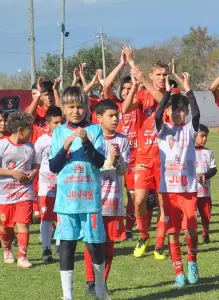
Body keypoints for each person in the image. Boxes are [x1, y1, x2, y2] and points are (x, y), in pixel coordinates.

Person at [49, 87, 107, 299]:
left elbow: (100, 161)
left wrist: (85, 141)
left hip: (90, 201)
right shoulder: (58, 133)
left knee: (95, 246)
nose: (76, 111)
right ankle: (68, 295)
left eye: (80, 106)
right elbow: (54, 166)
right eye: (71, 107)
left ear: (87, 108)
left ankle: (100, 290)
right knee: (67, 247)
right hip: (66, 202)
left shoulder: (96, 130)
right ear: (63, 109)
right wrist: (64, 148)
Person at [156, 73, 200, 288]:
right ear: (168, 111)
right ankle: (178, 272)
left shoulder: (190, 130)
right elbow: (156, 116)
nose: (178, 113)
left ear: (186, 112)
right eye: (174, 109)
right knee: (173, 232)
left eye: (182, 109)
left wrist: (188, 88)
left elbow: (198, 113)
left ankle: (192, 262)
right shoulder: (163, 130)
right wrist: (166, 93)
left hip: (189, 189)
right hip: (169, 190)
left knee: (190, 229)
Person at [123, 58, 169, 259]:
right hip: (143, 158)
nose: (161, 78)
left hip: (165, 159)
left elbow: (162, 100)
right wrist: (134, 85)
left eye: (164, 74)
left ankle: (159, 244)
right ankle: (143, 236)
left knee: (162, 202)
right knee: (139, 200)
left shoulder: (171, 95)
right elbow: (124, 109)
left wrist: (144, 81)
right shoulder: (142, 95)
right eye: (158, 74)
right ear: (151, 75)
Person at [84, 99, 130, 297]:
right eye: (111, 116)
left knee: (109, 247)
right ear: (99, 118)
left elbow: (122, 172)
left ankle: (102, 282)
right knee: (93, 243)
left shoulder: (123, 140)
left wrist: (118, 161)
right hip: (93, 200)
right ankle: (90, 282)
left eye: (117, 115)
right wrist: (109, 161)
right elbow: (90, 168)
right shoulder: (92, 138)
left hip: (114, 201)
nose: (115, 119)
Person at [102, 47, 140, 243]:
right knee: (113, 191)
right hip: (115, 157)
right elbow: (106, 83)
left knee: (134, 196)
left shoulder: (139, 104)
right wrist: (122, 64)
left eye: (129, 89)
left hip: (135, 158)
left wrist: (136, 83)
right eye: (124, 89)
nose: (126, 92)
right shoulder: (113, 106)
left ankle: (130, 228)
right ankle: (113, 224)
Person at [0, 110, 36, 268]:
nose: (32, 132)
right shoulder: (3, 145)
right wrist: (11, 173)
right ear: (20, 130)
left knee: (23, 223)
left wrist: (34, 172)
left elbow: (34, 165)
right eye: (30, 129)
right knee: (6, 227)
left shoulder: (30, 146)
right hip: (4, 194)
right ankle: (7, 249)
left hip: (24, 192)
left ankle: (22, 257)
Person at [26, 76, 61, 220]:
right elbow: (27, 117)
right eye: (47, 95)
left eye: (51, 94)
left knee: (55, 189)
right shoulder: (37, 111)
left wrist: (56, 90)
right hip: (37, 157)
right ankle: (38, 213)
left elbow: (62, 112)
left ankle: (49, 218)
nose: (50, 97)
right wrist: (38, 94)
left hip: (56, 157)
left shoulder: (56, 113)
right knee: (37, 188)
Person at [34, 107, 64, 263]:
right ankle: (46, 249)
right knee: (46, 218)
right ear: (48, 123)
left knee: (61, 216)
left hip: (64, 184)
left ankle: (59, 246)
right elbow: (37, 164)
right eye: (55, 122)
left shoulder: (68, 138)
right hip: (46, 184)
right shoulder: (41, 141)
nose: (59, 125)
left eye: (61, 122)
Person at [195, 124, 217, 244]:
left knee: (205, 215)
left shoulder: (209, 152)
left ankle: (205, 234)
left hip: (204, 191)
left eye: (206, 136)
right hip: (191, 192)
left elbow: (213, 169)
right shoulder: (188, 152)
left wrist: (205, 175)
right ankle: (189, 235)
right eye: (202, 136)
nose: (205, 139)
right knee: (190, 216)